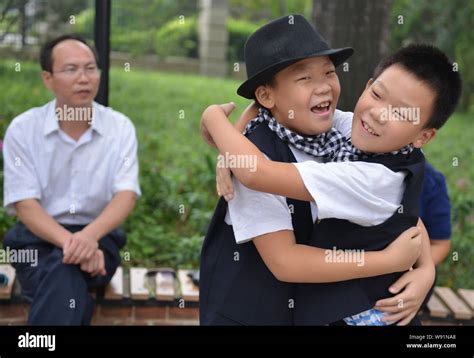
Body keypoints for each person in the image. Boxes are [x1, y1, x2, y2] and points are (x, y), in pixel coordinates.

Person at [201, 43, 461, 325]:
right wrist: (232, 144)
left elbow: (257, 173)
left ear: (423, 136)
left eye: (400, 113)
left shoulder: (373, 177)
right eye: (377, 95)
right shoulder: (347, 129)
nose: (377, 114)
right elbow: (406, 218)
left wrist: (213, 118)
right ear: (367, 85)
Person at [2, 34, 141, 325]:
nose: (84, 78)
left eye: (91, 68)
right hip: (35, 239)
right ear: (47, 78)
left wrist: (88, 237)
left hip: (99, 236)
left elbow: (126, 194)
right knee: (67, 274)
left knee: (59, 272)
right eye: (71, 69)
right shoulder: (24, 129)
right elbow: (24, 203)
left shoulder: (119, 127)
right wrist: (75, 245)